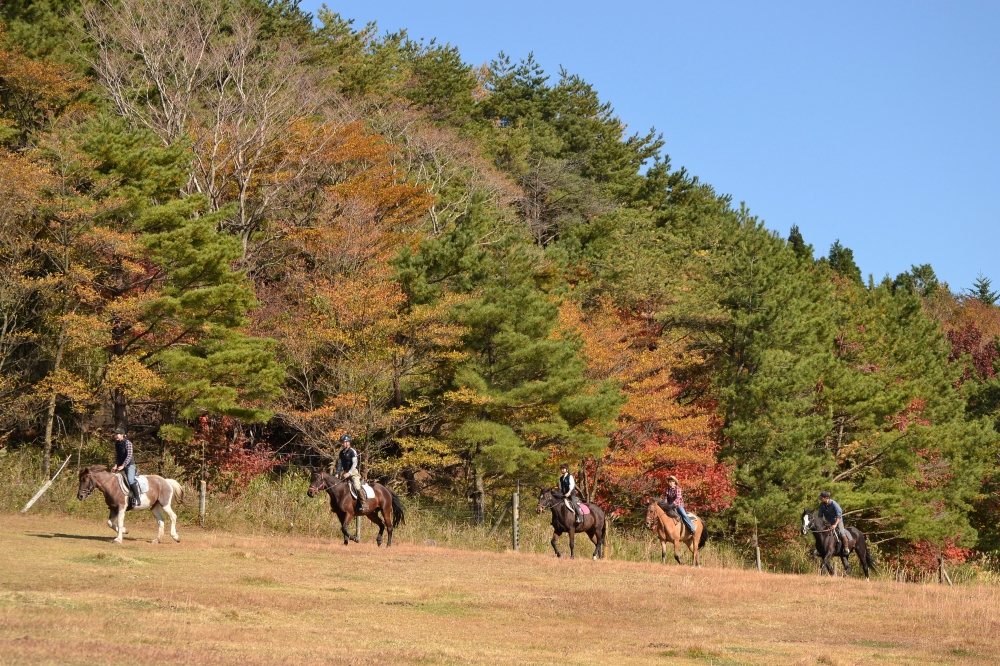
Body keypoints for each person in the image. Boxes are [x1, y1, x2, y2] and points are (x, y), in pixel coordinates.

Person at [110, 427, 141, 507]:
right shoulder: (117, 444)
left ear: (122, 435)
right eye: (115, 434)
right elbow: (117, 455)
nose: (116, 435)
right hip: (120, 465)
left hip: (129, 465)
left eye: (117, 434)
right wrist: (115, 465)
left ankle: (137, 498)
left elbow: (129, 455)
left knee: (130, 480)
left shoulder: (128, 443)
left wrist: (123, 465)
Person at [337, 434, 365, 512]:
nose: (342, 444)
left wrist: (349, 473)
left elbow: (355, 463)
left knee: (356, 486)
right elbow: (340, 464)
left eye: (343, 442)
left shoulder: (352, 451)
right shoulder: (341, 453)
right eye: (341, 442)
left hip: (353, 472)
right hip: (345, 473)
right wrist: (338, 473)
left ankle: (364, 503)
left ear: (348, 442)